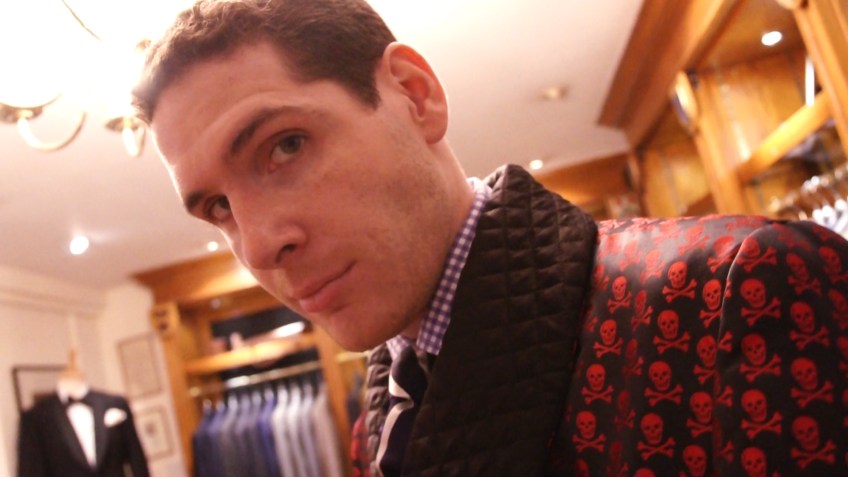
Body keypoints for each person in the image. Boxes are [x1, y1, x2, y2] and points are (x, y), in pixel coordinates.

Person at [133, 1, 848, 475]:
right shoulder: (379, 410)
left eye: (285, 145)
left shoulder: (737, 291)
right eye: (218, 207)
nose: (258, 247)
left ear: (414, 95)